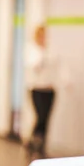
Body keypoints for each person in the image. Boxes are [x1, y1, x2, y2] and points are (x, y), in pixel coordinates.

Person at [24, 25, 68, 158]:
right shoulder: (32, 50)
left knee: (47, 118)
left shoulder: (52, 50)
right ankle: (32, 141)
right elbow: (34, 66)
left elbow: (60, 67)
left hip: (50, 89)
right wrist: (42, 53)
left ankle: (41, 146)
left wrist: (66, 81)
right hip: (36, 89)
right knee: (40, 117)